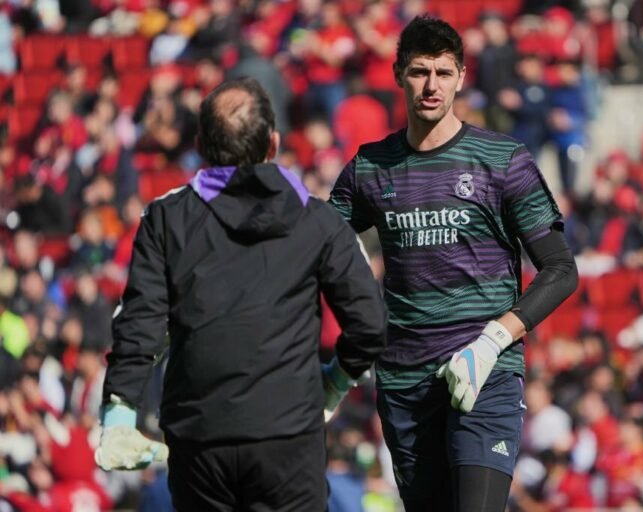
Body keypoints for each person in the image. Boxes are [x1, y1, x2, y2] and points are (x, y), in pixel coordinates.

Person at [95, 77, 388, 511]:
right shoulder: (319, 220)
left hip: (198, 441)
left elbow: (140, 322)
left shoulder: (166, 218)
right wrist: (334, 382)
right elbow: (371, 322)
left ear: (199, 144)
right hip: (288, 437)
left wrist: (120, 410)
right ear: (273, 143)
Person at [329, 15, 578, 511]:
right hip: (403, 381)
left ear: (462, 77)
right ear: (399, 74)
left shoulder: (503, 159)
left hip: (485, 372)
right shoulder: (368, 167)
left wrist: (493, 340)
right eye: (420, 72)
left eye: (444, 73)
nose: (432, 85)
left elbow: (561, 270)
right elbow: (315, 244)